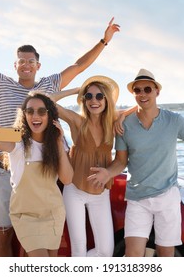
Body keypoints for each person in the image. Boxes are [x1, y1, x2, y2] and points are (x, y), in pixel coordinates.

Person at [0, 9, 120, 256]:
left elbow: (78, 66)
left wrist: (104, 41)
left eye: (31, 61)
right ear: (15, 65)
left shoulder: (48, 86)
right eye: (22, 61)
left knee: (38, 239)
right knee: (4, 231)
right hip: (6, 169)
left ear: (38, 65)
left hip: (44, 169)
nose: (26, 65)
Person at [88, 68, 184, 257]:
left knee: (165, 254)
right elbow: (121, 161)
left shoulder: (174, 120)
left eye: (147, 89)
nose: (142, 94)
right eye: (137, 90)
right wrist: (108, 172)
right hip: (138, 198)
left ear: (157, 92)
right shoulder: (124, 125)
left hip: (167, 197)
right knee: (132, 255)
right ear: (133, 94)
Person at [50, 75, 134, 256]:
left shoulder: (112, 122)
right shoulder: (77, 121)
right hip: (75, 190)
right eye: (88, 96)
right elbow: (48, 101)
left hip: (100, 192)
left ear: (106, 99)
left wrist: (122, 117)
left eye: (98, 96)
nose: (93, 101)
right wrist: (77, 90)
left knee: (106, 252)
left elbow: (141, 108)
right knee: (79, 248)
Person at [0, 92, 73, 257]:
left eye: (41, 111)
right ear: (24, 114)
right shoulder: (17, 139)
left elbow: (67, 179)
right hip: (26, 215)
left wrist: (59, 143)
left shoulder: (56, 144)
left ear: (50, 115)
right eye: (30, 111)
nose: (35, 115)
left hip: (53, 213)